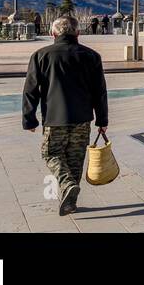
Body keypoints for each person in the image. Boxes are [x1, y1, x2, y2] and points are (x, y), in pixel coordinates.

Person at [22, 14, 108, 216]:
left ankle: (68, 185)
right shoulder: (92, 56)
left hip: (54, 118)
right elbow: (100, 92)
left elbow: (30, 90)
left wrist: (29, 118)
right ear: (78, 32)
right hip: (83, 118)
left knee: (50, 153)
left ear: (52, 33)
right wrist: (102, 120)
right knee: (75, 159)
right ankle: (70, 201)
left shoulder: (41, 55)